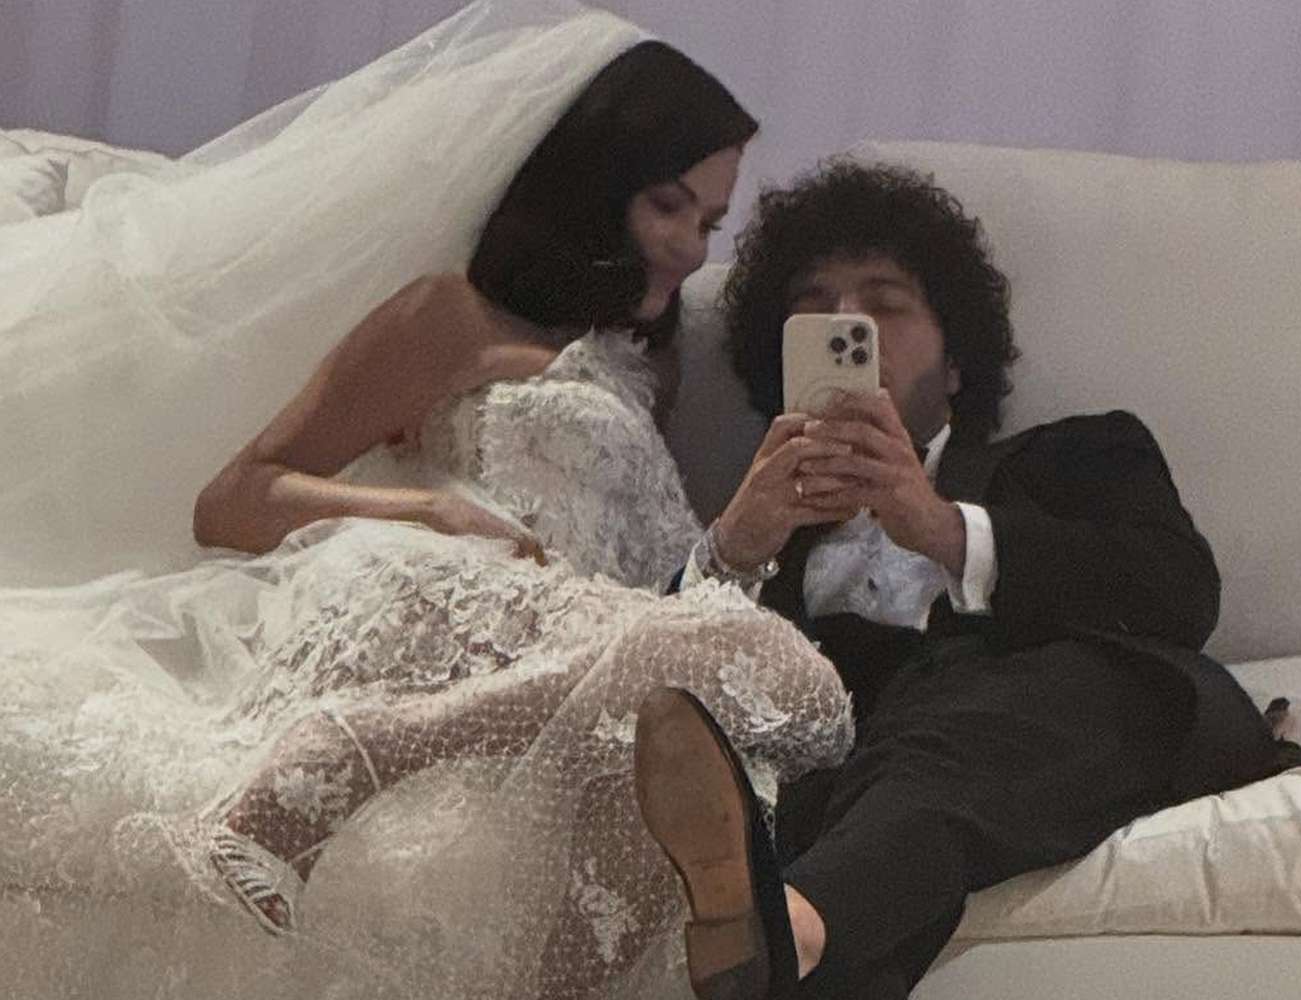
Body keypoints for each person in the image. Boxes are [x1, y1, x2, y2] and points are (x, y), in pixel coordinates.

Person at [0, 23, 854, 1000]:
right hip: (434, 604)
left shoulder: (641, 374)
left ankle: (361, 759)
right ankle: (353, 750)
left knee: (784, 701)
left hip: (564, 656)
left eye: (709, 222)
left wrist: (739, 537)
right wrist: (424, 513)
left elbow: (656, 611)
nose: (689, 247)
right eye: (668, 204)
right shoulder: (448, 318)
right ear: (594, 181)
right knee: (787, 683)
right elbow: (234, 498)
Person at [634, 159, 1297, 1000]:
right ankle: (792, 935)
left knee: (1029, 703)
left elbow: (1177, 596)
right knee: (836, 775)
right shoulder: (765, 531)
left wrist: (944, 529)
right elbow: (653, 703)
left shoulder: (1075, 453)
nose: (844, 322)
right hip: (854, 768)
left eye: (883, 303)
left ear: (955, 365)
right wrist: (732, 549)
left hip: (1045, 715)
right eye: (816, 304)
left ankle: (791, 922)